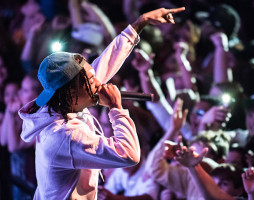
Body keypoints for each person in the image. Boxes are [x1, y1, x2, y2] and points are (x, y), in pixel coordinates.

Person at [18, 7, 186, 200]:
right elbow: (128, 154)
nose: (99, 83)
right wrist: (116, 109)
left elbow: (104, 64)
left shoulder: (57, 105)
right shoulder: (64, 135)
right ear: (72, 91)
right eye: (91, 80)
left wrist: (140, 23)